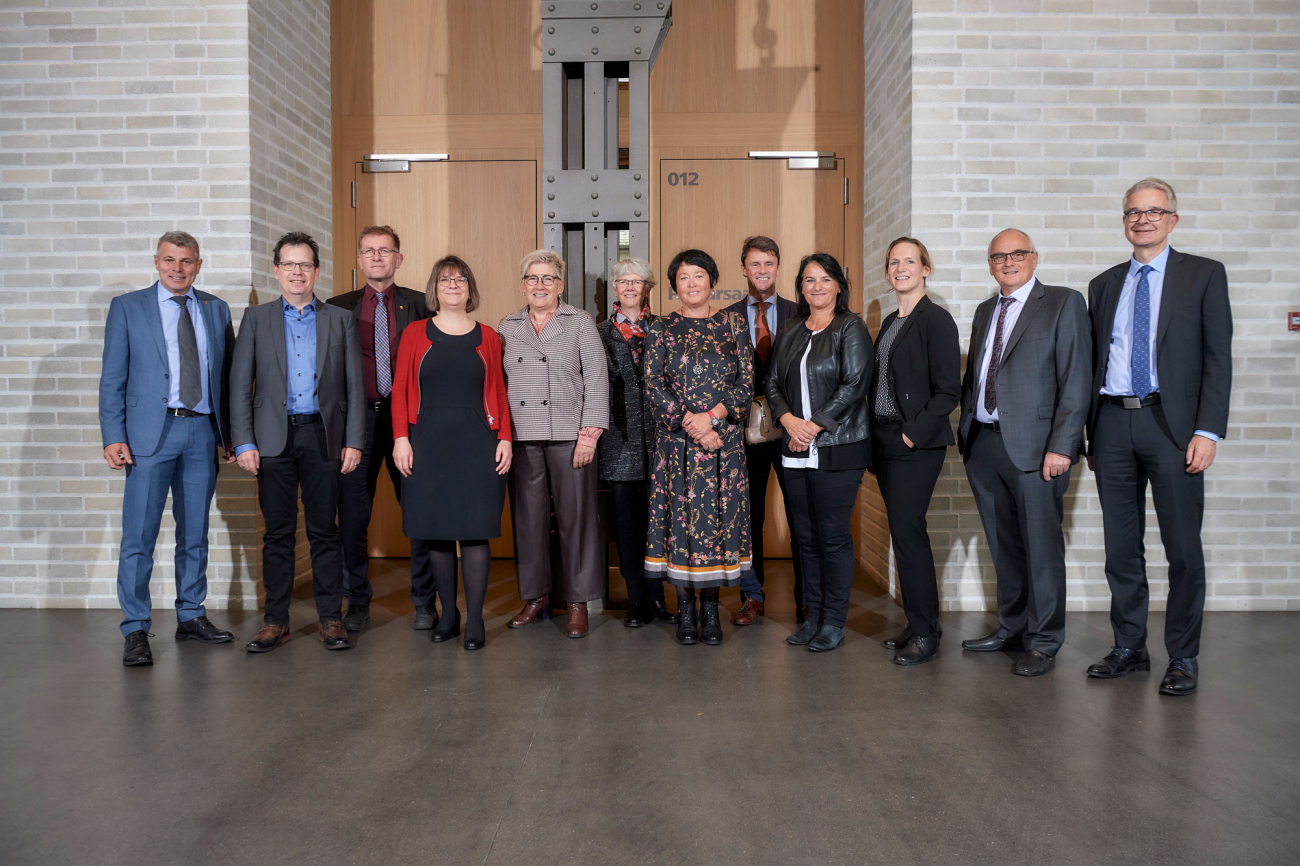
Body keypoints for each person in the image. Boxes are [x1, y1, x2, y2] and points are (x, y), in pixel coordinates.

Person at [1084, 178, 1232, 696]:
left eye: (1153, 211)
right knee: (1120, 549)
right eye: (1132, 212)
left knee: (1182, 548)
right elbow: (1092, 363)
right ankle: (1129, 646)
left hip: (1174, 428)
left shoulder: (1204, 276)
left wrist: (1208, 431)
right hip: (1113, 424)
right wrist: (1091, 436)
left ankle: (1183, 655)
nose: (1142, 219)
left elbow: (1218, 359)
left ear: (1173, 219)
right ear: (1123, 221)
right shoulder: (1102, 285)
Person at [957, 229, 1091, 677]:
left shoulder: (1062, 303)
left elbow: (1076, 380)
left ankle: (1045, 639)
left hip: (1037, 451)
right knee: (1005, 547)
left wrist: (1062, 446)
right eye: (999, 256)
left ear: (1034, 258)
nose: (1008, 262)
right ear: (990, 264)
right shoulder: (983, 311)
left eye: (1017, 254)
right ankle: (1011, 628)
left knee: (1041, 547)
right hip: (985, 444)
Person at [99, 231, 236, 666]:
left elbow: (228, 377)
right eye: (170, 260)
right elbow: (112, 377)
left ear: (199, 264)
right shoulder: (128, 307)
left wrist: (229, 435)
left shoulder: (216, 308)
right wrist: (112, 434)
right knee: (139, 535)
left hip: (200, 433)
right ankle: (136, 628)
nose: (178, 269)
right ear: (156, 262)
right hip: (146, 437)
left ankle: (191, 614)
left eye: (187, 261)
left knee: (195, 531)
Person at [230, 232, 365, 653]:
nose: (297, 272)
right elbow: (239, 386)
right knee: (278, 533)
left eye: (305, 264)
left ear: (316, 272)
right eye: (289, 264)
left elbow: (355, 389)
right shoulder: (257, 319)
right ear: (276, 271)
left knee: (325, 531)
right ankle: (275, 622)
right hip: (272, 438)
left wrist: (354, 441)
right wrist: (243, 442)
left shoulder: (339, 319)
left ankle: (330, 619)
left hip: (323, 436)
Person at [391, 256, 511, 651]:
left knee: (476, 533)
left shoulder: (489, 336)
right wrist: (400, 438)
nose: (454, 284)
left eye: (461, 279)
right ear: (435, 288)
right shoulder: (414, 333)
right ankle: (448, 614)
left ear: (470, 288)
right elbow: (402, 389)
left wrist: (505, 437)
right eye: (445, 279)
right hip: (425, 442)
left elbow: (498, 392)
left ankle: (474, 618)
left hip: (479, 443)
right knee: (437, 534)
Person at [644, 249, 754, 646]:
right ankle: (686, 610)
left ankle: (712, 608)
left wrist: (713, 419)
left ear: (712, 281)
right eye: (684, 278)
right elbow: (653, 385)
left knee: (718, 524)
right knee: (682, 525)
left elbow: (746, 382)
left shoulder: (733, 323)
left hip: (724, 444)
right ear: (674, 286)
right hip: (678, 447)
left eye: (699, 276)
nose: (692, 284)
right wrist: (692, 424)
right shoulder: (661, 328)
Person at [326, 225, 432, 633]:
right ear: (359, 259)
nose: (376, 258)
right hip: (357, 423)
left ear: (398, 259)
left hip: (409, 423)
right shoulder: (336, 308)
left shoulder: (422, 305)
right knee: (352, 517)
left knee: (420, 514)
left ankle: (425, 601)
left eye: (384, 251)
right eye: (369, 251)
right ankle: (357, 602)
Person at [498, 249, 609, 638]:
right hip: (523, 436)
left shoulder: (579, 322)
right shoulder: (508, 325)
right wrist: (502, 437)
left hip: (570, 436)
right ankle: (536, 597)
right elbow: (499, 384)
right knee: (527, 522)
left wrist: (590, 434)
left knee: (576, 520)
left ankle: (577, 601)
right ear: (523, 284)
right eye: (532, 278)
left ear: (560, 285)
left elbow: (596, 379)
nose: (540, 285)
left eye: (548, 279)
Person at [766, 253, 873, 653]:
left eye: (825, 279)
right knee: (805, 538)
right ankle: (812, 617)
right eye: (809, 280)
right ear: (801, 287)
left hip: (838, 446)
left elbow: (855, 383)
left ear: (839, 286)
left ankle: (833, 621)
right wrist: (789, 420)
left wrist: (814, 425)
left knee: (832, 537)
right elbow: (773, 382)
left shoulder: (851, 327)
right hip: (794, 447)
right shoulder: (791, 329)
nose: (817, 287)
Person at [870, 238, 961, 665]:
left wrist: (911, 434)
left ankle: (926, 633)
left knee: (909, 535)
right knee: (903, 536)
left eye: (909, 261)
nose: (900, 268)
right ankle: (918, 621)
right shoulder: (891, 322)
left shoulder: (935, 320)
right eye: (894, 262)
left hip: (915, 443)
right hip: (885, 440)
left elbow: (949, 391)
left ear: (926, 268)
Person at [724, 236, 805, 626]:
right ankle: (752, 597)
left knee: (799, 514)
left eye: (769, 263)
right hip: (744, 432)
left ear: (778, 267)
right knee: (750, 518)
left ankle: (806, 599)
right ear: (744, 268)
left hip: (792, 428)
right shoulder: (726, 317)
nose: (762, 271)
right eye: (755, 264)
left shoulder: (800, 312)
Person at [597, 258, 676, 627]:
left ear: (648, 288)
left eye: (637, 282)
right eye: (623, 281)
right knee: (626, 525)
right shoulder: (598, 332)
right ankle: (634, 601)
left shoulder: (665, 328)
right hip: (619, 439)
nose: (630, 287)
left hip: (661, 440)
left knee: (659, 524)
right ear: (614, 288)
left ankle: (657, 598)